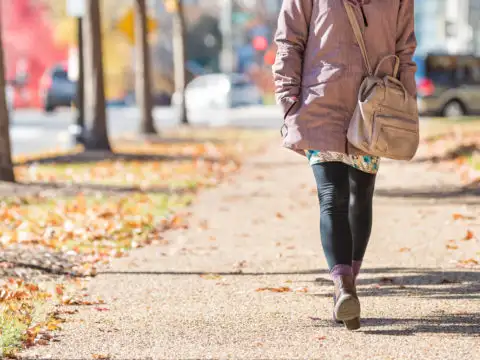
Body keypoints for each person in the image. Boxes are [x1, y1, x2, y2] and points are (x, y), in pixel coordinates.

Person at [272, 0, 417, 330]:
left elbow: (404, 49)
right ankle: (345, 288)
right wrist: (288, 100)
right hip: (319, 106)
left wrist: (405, 105)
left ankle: (345, 287)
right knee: (332, 195)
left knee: (359, 195)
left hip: (372, 109)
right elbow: (289, 39)